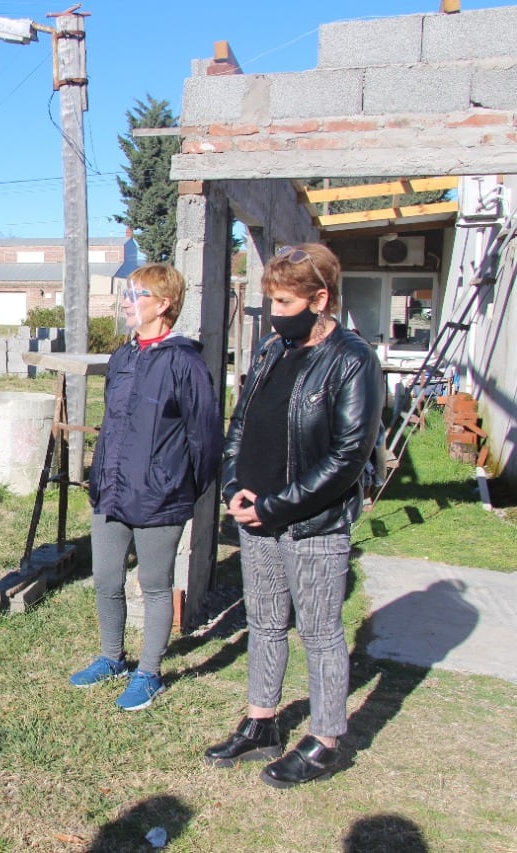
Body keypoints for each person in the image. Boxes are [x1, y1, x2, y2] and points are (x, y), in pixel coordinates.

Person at [206, 242, 383, 788]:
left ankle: (327, 738)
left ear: (320, 299)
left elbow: (349, 457)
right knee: (264, 623)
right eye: (271, 300)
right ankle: (262, 722)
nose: (274, 312)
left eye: (283, 301)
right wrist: (235, 485)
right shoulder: (270, 350)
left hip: (311, 525)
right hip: (254, 516)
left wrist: (276, 506)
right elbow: (241, 425)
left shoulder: (353, 361)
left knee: (321, 632)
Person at [70, 264, 222, 710]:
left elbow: (207, 439)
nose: (126, 303)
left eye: (136, 295)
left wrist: (181, 488)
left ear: (164, 304)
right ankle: (111, 658)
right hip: (111, 492)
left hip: (161, 498)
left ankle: (149, 673)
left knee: (155, 586)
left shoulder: (185, 363)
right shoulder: (123, 357)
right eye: (127, 294)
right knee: (106, 580)